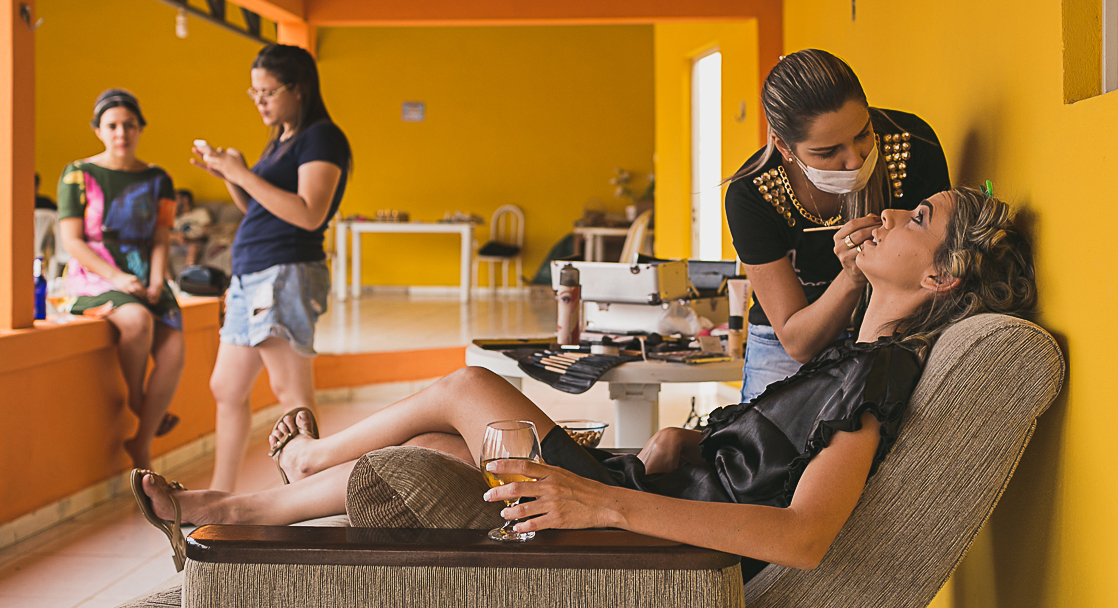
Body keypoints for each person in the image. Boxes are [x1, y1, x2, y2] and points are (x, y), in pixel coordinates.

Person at [134, 188, 1036, 579]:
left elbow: (802, 540)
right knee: (436, 448)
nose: (888, 214)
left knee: (463, 385)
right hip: (652, 485)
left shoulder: (877, 372)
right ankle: (236, 512)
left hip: (641, 526)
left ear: (943, 279)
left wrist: (602, 505)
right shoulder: (855, 354)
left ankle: (291, 474)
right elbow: (773, 451)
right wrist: (689, 446)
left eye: (919, 218)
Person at [724, 50, 951, 402]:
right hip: (791, 342)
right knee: (762, 451)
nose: (854, 161)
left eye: (863, 134)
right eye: (828, 152)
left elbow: (941, 261)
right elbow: (797, 343)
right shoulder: (753, 196)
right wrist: (851, 277)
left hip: (895, 329)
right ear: (784, 146)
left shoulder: (912, 144)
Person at [190, 44, 351, 492]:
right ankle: (220, 497)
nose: (259, 100)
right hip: (253, 274)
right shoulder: (282, 137)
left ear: (298, 89)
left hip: (284, 271)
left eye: (269, 91)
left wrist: (242, 174)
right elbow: (258, 205)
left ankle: (312, 495)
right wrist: (228, 172)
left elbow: (308, 213)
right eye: (254, 91)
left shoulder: (322, 137)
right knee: (226, 387)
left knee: (292, 394)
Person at [59, 89, 185, 468]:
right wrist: (117, 276)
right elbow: (72, 241)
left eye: (129, 125)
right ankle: (135, 399)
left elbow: (161, 238)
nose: (121, 133)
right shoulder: (77, 175)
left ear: (141, 128)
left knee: (174, 351)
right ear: (99, 130)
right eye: (112, 125)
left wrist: (158, 279)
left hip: (145, 270)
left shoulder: (159, 179)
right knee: (136, 319)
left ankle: (140, 442)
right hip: (94, 272)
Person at [170, 189, 212, 268]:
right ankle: (169, 280)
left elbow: (206, 231)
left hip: (194, 242)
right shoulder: (174, 217)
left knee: (193, 246)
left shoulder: (200, 212)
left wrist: (190, 238)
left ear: (185, 199)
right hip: (178, 244)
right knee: (159, 250)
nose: (173, 201)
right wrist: (176, 237)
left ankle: (187, 273)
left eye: (176, 198)